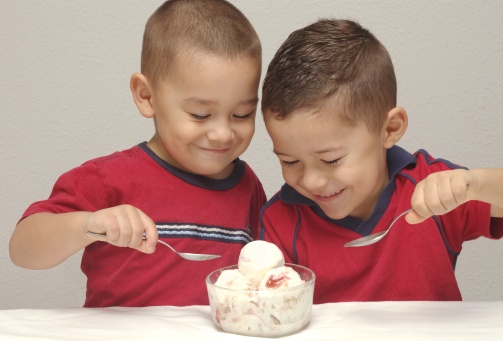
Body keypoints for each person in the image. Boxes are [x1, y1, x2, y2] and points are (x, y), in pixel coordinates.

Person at [9, 0, 266, 307]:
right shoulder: (108, 179)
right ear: (146, 96)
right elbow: (22, 250)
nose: (223, 133)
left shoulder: (247, 186)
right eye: (200, 114)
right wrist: (88, 225)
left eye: (242, 115)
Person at [259, 18, 503, 303]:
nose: (311, 180)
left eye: (331, 160)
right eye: (289, 161)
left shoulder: (428, 187)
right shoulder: (280, 221)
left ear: (389, 129)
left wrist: (474, 184)